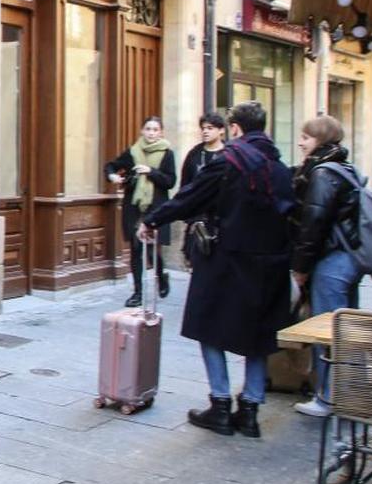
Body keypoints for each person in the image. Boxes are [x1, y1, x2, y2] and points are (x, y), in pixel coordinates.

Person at [139, 101, 295, 438]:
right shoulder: (280, 166)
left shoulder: (230, 161)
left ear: (235, 128)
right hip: (271, 262)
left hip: (228, 259)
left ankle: (221, 405)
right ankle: (250, 411)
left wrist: (153, 219)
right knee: (259, 336)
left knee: (207, 325)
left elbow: (190, 197)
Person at [290, 115, 362, 418]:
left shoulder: (322, 173)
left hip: (332, 261)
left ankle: (328, 398)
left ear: (319, 140)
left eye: (306, 137)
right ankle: (349, 393)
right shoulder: (346, 167)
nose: (301, 142)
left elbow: (313, 224)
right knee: (347, 328)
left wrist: (301, 268)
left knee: (327, 330)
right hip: (350, 258)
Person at [105, 116, 177, 307]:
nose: (151, 133)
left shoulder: (167, 154)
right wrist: (113, 176)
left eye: (155, 130)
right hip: (134, 207)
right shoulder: (133, 152)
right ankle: (138, 293)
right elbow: (111, 165)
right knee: (136, 249)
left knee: (152, 250)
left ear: (161, 132)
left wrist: (150, 171)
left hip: (156, 207)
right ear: (142, 131)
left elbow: (170, 181)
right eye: (148, 129)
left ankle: (161, 276)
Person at [179, 112, 226, 266]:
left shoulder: (229, 154)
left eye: (210, 128)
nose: (205, 131)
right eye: (203, 128)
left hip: (221, 220)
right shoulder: (194, 154)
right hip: (197, 220)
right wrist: (189, 217)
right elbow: (185, 186)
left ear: (221, 130)